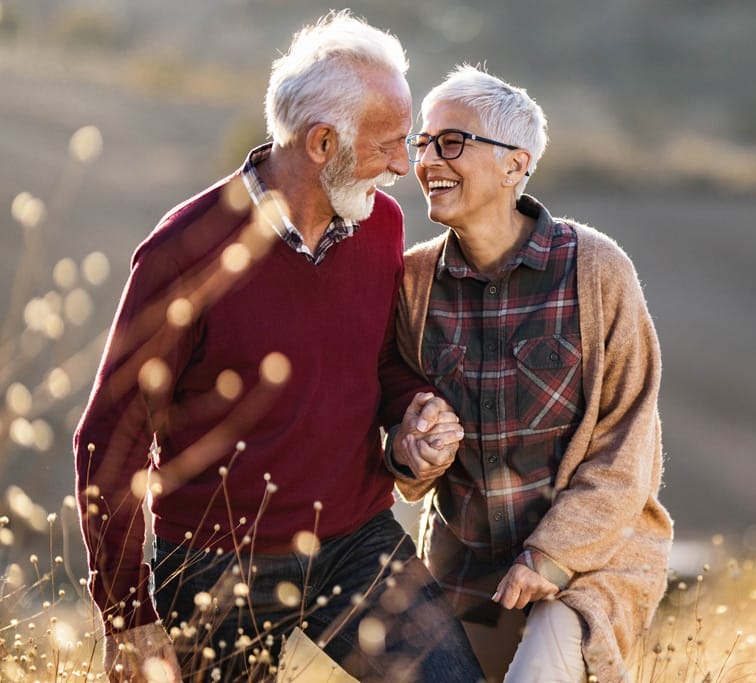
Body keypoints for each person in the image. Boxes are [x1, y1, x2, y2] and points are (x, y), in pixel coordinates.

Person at [73, 12, 482, 683]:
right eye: (389, 145)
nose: (404, 166)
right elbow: (108, 440)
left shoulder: (380, 222)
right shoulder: (187, 252)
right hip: (216, 562)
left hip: (358, 541)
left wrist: (412, 414)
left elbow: (377, 360)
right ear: (322, 142)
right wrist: (128, 618)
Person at [390, 65, 674, 683]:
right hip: (464, 569)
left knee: (542, 668)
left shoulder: (595, 269)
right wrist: (411, 450)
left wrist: (551, 557)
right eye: (423, 142)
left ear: (516, 165)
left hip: (590, 559)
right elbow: (392, 414)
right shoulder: (412, 283)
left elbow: (631, 443)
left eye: (452, 141)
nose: (429, 159)